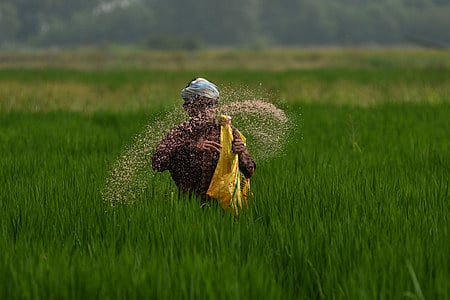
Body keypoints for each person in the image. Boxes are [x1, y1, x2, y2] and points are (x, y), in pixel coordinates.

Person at [151, 78, 256, 206]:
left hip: (222, 208)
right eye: (201, 105)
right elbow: (157, 163)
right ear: (188, 108)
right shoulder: (180, 133)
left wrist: (242, 153)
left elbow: (249, 172)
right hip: (189, 208)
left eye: (210, 105)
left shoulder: (227, 132)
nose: (206, 110)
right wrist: (190, 147)